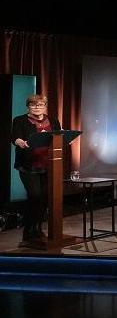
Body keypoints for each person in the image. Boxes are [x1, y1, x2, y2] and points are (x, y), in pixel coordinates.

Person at [10, 95, 62, 242]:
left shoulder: (52, 120)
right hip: (29, 166)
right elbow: (15, 137)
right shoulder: (19, 120)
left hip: (49, 165)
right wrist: (20, 142)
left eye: (40, 105)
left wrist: (64, 139)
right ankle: (28, 230)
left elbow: (59, 136)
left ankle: (38, 228)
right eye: (33, 105)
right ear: (28, 107)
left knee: (44, 198)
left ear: (45, 106)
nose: (37, 108)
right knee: (34, 196)